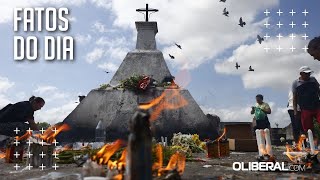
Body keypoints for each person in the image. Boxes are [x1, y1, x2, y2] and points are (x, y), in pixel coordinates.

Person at [292, 66, 320, 134]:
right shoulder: (295, 83)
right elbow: (294, 97)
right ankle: (312, 141)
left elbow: (318, 90)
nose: (308, 75)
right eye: (306, 73)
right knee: (308, 128)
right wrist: (295, 110)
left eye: (309, 73)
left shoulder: (313, 79)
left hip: (317, 106)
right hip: (305, 108)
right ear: (301, 74)